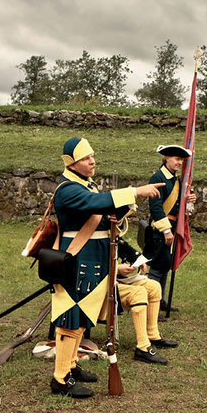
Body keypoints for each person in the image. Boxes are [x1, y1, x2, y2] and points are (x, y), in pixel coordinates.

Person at [49, 137, 164, 398]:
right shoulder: (67, 189)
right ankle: (60, 378)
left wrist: (117, 212)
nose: (93, 161)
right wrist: (135, 191)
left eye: (92, 156)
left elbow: (100, 212)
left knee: (82, 316)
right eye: (86, 158)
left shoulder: (85, 186)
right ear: (72, 163)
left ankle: (71, 365)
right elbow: (95, 203)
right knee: (71, 316)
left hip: (93, 260)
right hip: (75, 259)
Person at [143, 145, 196, 313]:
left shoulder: (175, 179)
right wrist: (166, 230)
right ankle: (151, 305)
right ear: (166, 158)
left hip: (171, 226)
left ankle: (160, 301)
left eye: (181, 160)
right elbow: (156, 208)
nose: (179, 163)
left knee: (165, 265)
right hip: (161, 228)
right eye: (176, 159)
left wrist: (189, 200)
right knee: (157, 268)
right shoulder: (157, 178)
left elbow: (178, 204)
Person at [116, 238, 178, 365]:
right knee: (139, 293)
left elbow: (122, 245)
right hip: (99, 286)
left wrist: (138, 259)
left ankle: (152, 335)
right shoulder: (91, 235)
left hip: (115, 281)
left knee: (154, 287)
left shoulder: (108, 231)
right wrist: (116, 268)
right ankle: (143, 347)